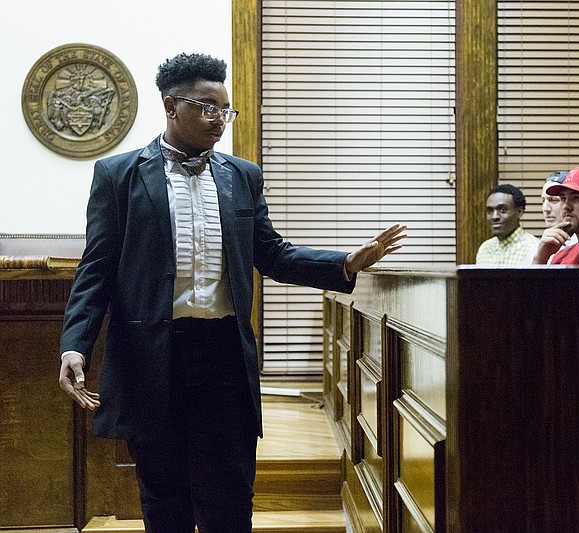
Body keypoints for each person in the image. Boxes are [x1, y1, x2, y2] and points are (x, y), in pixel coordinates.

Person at [57, 53, 406, 533]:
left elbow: (273, 253)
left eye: (225, 110)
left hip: (224, 353)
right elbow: (95, 270)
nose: (218, 119)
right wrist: (75, 344)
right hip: (153, 355)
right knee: (164, 498)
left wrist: (344, 263)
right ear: (170, 106)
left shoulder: (242, 176)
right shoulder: (118, 175)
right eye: (206, 107)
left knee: (231, 495)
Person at [475, 183, 540, 265]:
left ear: (519, 212)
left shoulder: (534, 248)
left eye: (503, 210)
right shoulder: (485, 248)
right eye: (490, 211)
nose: (494, 216)